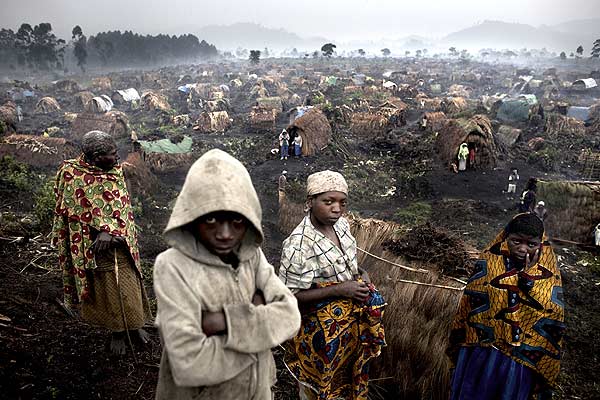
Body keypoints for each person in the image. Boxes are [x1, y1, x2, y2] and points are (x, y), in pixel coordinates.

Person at [153, 149, 301, 400]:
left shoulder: (251, 257)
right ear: (192, 216)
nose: (224, 234)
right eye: (211, 219)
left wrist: (223, 322)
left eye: (236, 222)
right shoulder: (173, 266)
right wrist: (260, 330)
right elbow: (190, 362)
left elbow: (290, 315)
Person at [279, 170, 386, 400]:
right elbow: (289, 296)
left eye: (342, 202)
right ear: (310, 202)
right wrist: (341, 289)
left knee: (346, 385)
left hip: (347, 332)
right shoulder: (299, 245)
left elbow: (350, 265)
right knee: (317, 390)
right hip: (318, 336)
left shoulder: (342, 227)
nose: (336, 209)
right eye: (328, 202)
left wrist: (362, 275)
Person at [52, 130, 151, 354]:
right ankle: (117, 331)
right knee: (107, 285)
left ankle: (135, 326)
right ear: (96, 157)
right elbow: (70, 209)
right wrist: (99, 232)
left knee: (129, 279)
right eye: (112, 154)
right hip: (92, 245)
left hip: (122, 242)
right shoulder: (71, 174)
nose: (117, 158)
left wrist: (114, 231)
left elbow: (120, 208)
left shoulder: (114, 171)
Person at [448, 213, 565, 400]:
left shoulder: (548, 278)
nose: (523, 249)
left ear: (540, 244)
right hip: (482, 351)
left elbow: (551, 318)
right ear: (506, 238)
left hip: (517, 363)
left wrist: (527, 280)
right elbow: (470, 304)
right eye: (516, 241)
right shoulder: (489, 262)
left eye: (531, 244)